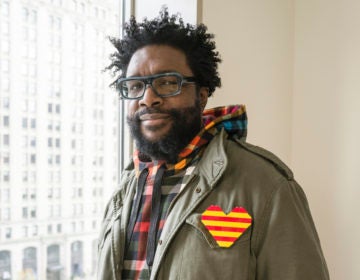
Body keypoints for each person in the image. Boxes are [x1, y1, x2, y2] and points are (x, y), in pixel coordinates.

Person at [97, 8, 329, 280]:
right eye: (135, 86)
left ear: (202, 95)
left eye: (168, 82)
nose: (148, 98)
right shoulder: (124, 190)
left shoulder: (267, 185)